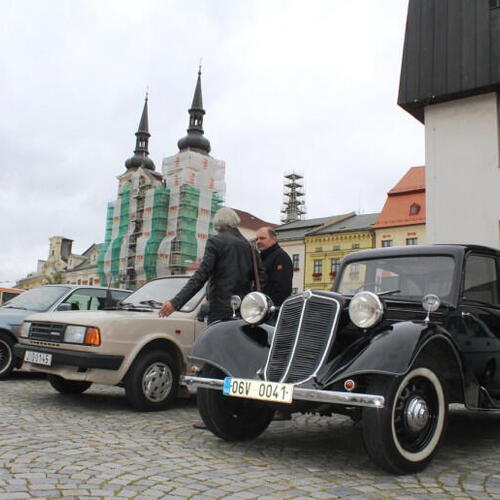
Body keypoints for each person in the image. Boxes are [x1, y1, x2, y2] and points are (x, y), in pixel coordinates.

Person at [159, 207, 263, 324]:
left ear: (218, 225)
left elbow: (201, 276)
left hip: (220, 309)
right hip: (244, 310)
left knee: (216, 340)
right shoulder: (250, 247)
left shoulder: (216, 241)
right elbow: (261, 279)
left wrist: (176, 302)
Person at [255, 226, 293, 321]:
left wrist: (269, 307)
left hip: (272, 313)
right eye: (257, 239)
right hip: (260, 311)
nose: (258, 241)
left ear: (273, 239)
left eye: (262, 238)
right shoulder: (261, 258)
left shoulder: (280, 257)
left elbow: (283, 288)